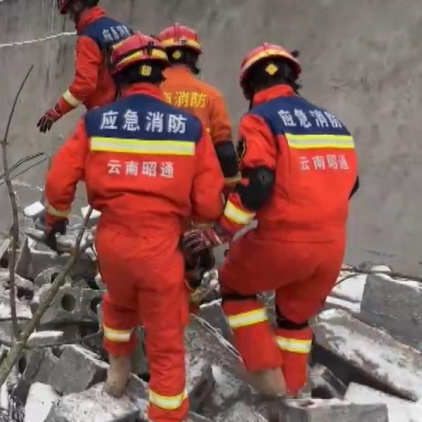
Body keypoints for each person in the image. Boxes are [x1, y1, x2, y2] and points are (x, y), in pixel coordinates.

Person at [42, 33, 225, 421]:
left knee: (119, 303)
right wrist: (203, 231)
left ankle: (117, 376)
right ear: (161, 76)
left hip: (113, 242)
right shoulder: (189, 127)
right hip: (163, 246)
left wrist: (54, 219)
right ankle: (166, 414)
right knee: (165, 333)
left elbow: (60, 178)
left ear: (118, 76)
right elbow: (210, 200)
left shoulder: (96, 122)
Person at [181, 43, 360, 398]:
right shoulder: (333, 122)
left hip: (283, 242)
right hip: (331, 248)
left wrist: (220, 231)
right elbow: (352, 184)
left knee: (235, 284)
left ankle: (267, 376)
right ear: (294, 79)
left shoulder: (260, 119)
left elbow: (258, 183)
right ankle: (292, 394)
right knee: (294, 318)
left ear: (249, 87)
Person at [157, 24, 239, 189]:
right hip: (199, 185)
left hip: (155, 180)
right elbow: (225, 151)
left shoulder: (147, 93)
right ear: (194, 57)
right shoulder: (212, 96)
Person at [37, 0, 132, 133]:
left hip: (109, 118)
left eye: (71, 12)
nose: (72, 19)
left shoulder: (89, 38)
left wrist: (57, 110)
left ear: (78, 5)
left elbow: (85, 84)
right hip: (133, 114)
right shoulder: (124, 30)